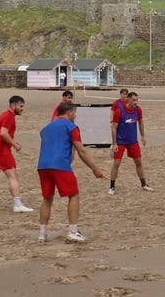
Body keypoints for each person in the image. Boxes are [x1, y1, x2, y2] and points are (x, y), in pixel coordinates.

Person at [37, 102, 105, 243]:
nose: (75, 116)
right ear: (70, 113)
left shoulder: (46, 128)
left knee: (47, 198)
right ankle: (73, 231)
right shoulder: (72, 127)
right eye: (75, 113)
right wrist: (95, 168)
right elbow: (81, 151)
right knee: (73, 195)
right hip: (59, 164)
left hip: (43, 165)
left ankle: (42, 234)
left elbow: (45, 148)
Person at [108, 92, 153, 195]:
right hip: (120, 141)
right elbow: (114, 127)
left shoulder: (138, 110)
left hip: (133, 141)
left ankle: (144, 184)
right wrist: (114, 143)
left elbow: (140, 122)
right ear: (128, 100)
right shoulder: (120, 110)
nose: (135, 102)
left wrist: (142, 136)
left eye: (137, 100)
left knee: (138, 162)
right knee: (116, 163)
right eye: (133, 100)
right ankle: (112, 186)